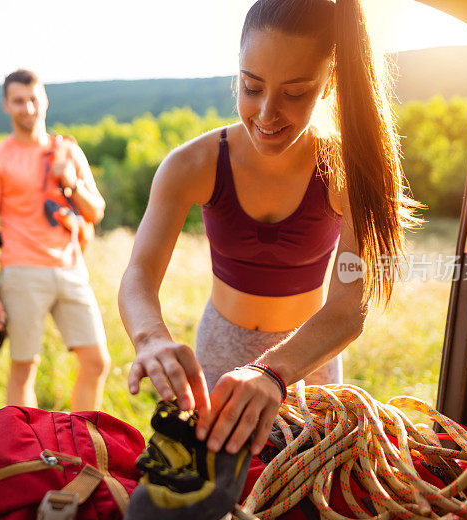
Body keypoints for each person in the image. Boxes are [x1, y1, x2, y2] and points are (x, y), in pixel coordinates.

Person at [118, 0, 422, 457]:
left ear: (328, 84)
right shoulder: (190, 165)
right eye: (251, 86)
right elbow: (139, 275)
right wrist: (151, 339)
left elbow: (350, 303)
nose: (266, 113)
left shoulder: (348, 170)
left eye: (295, 93)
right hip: (218, 352)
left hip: (308, 361)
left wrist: (274, 373)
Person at [0, 69, 110, 410]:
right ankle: (27, 454)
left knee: (97, 362)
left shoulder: (68, 152)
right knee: (24, 366)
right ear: (6, 105)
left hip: (71, 269)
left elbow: (96, 211)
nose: (28, 108)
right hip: (21, 271)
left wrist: (71, 182)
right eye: (19, 101)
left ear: (44, 100)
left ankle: (82, 447)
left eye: (34, 99)